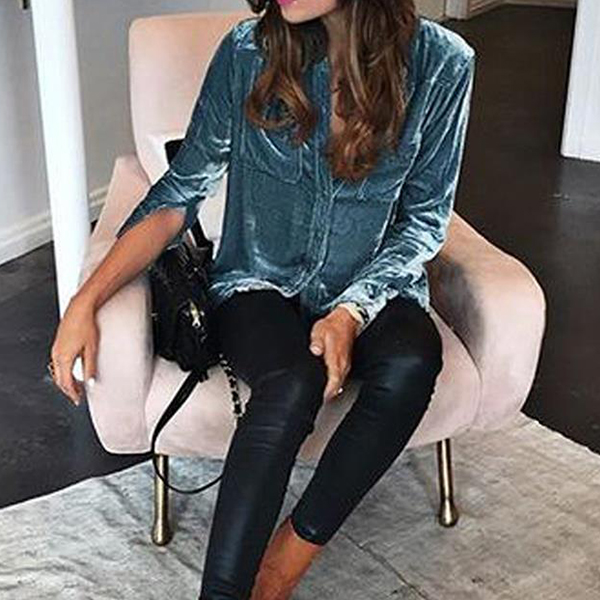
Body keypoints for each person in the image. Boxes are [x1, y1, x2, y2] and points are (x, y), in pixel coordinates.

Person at [48, 0, 476, 598]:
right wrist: (84, 301)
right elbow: (179, 192)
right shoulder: (249, 52)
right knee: (292, 382)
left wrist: (352, 310)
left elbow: (425, 221)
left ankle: (284, 564)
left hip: (374, 281)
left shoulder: (442, 63)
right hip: (257, 282)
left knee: (412, 360)